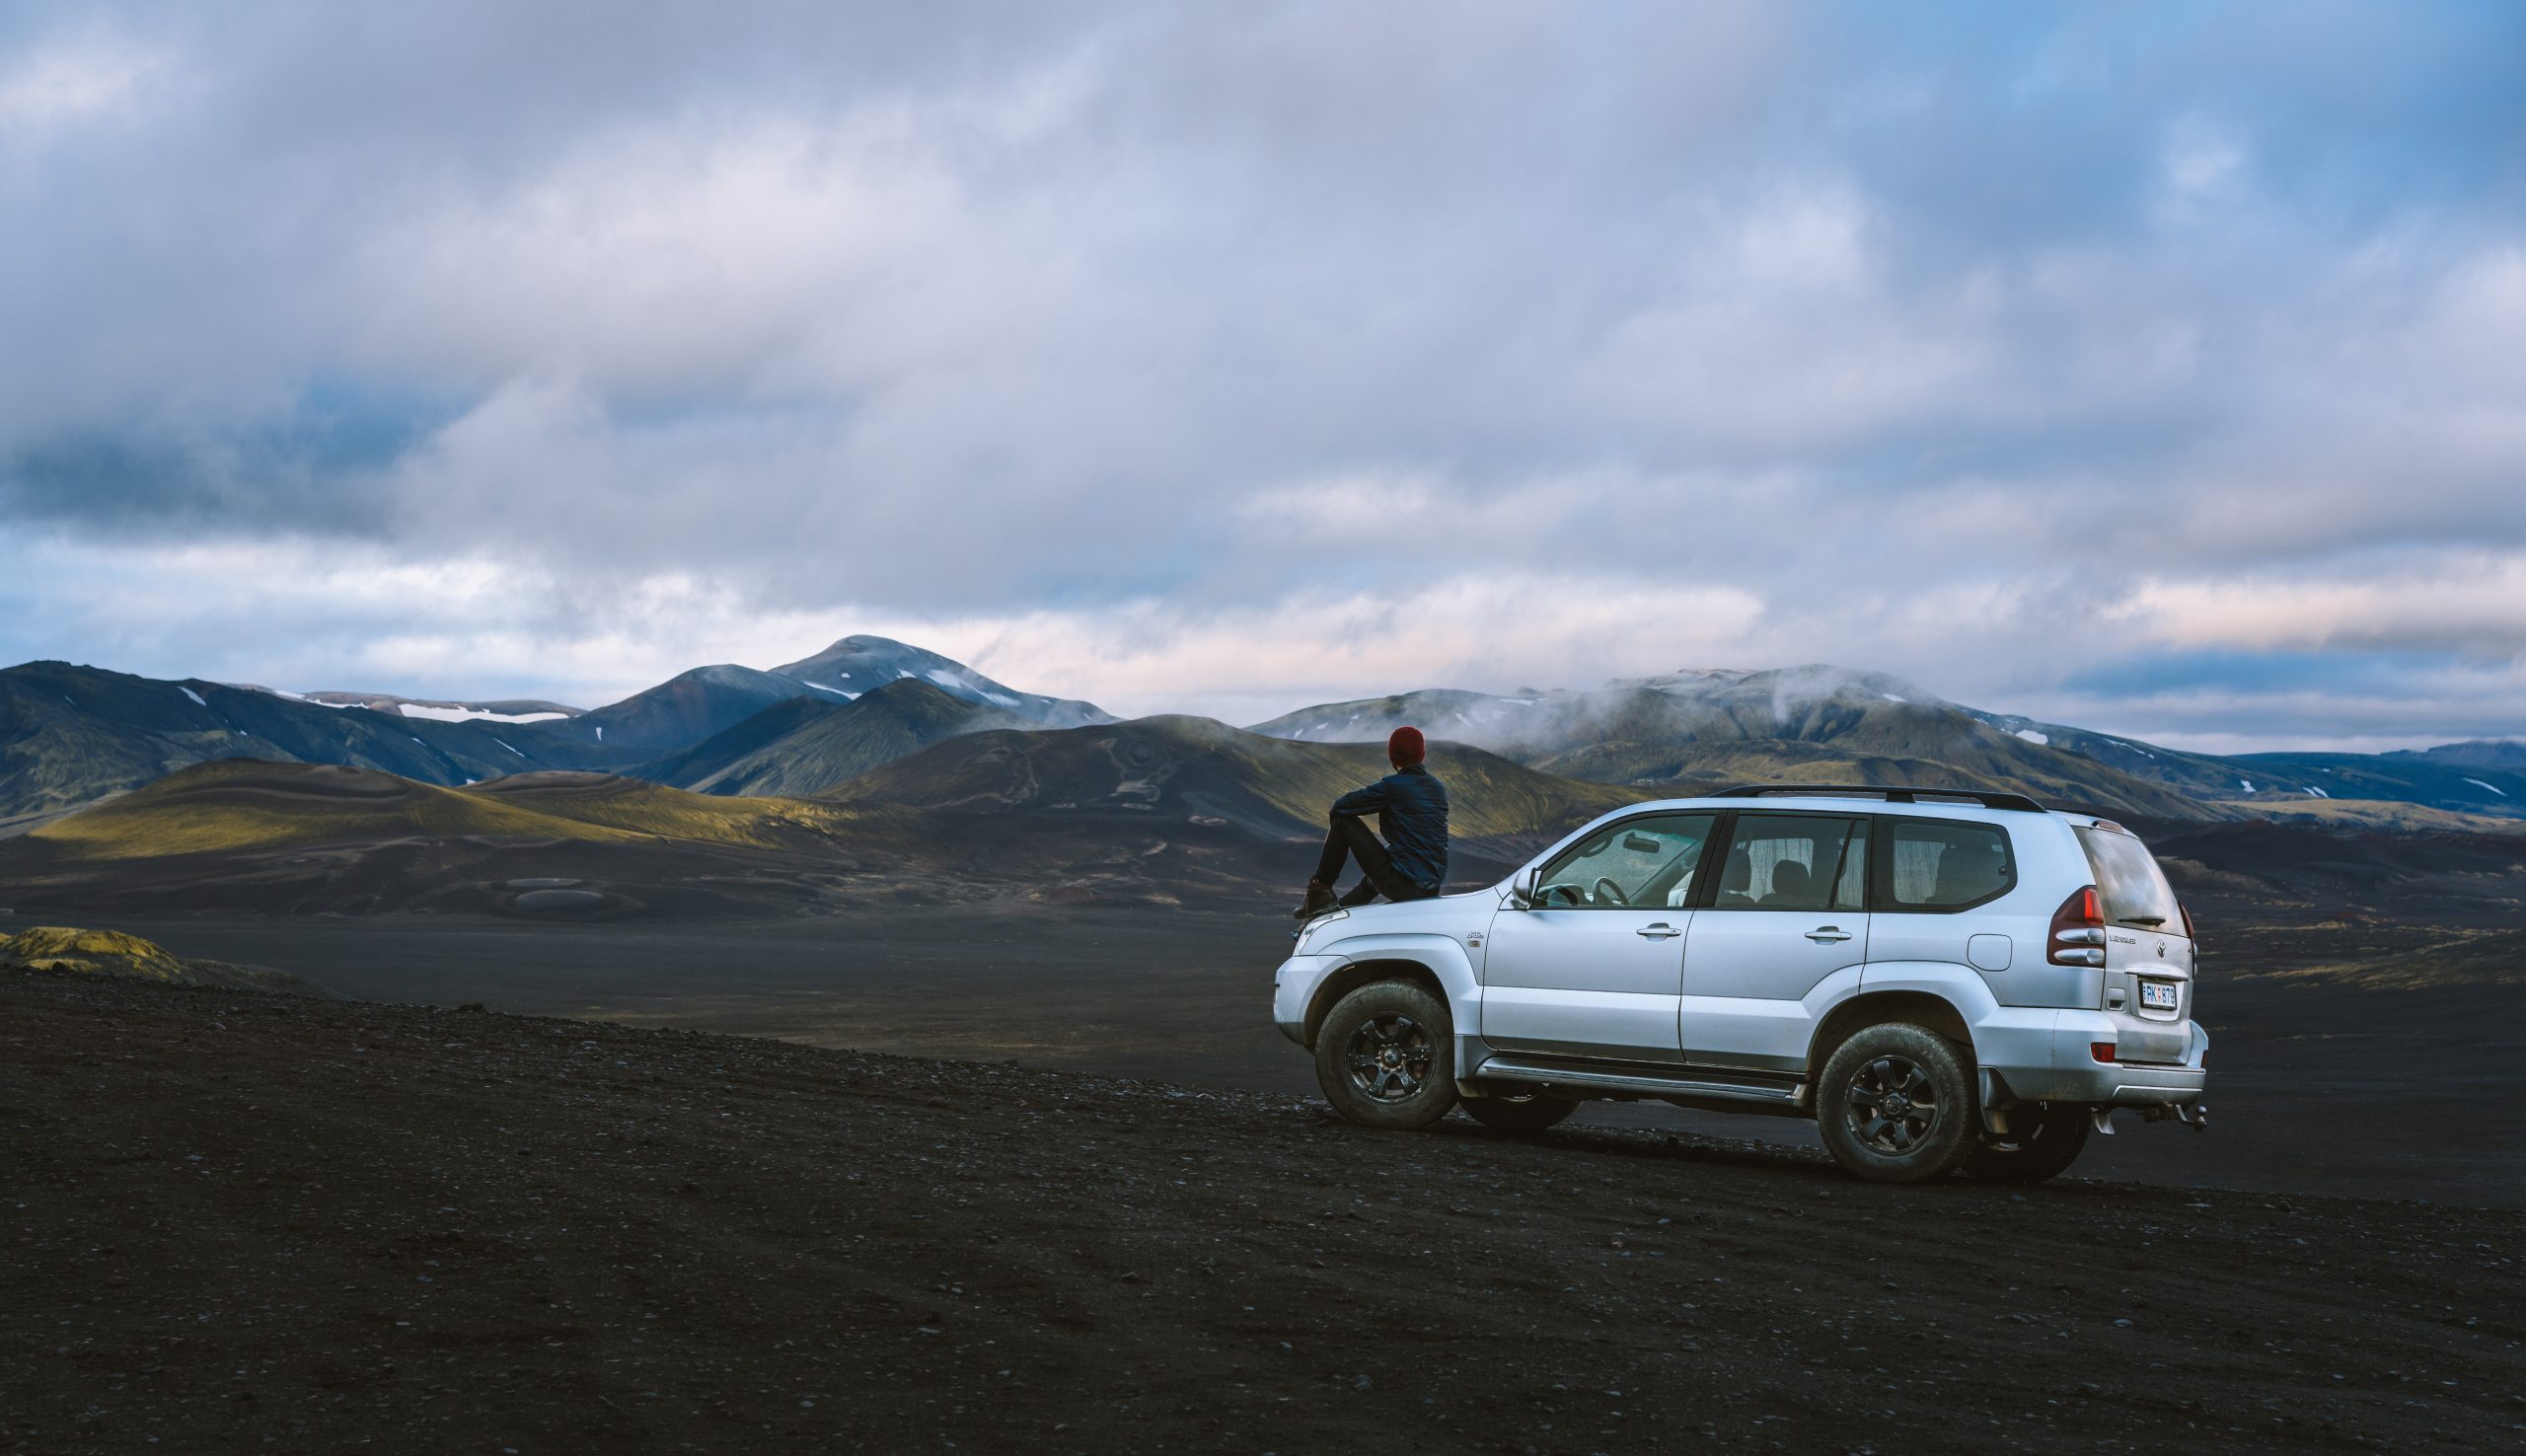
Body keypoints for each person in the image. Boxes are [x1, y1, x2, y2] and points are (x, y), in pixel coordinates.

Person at [1294, 725, 1449, 918]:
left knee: (1343, 821)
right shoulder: (1437, 788)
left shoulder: (1392, 787)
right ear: (1422, 754)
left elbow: (1340, 807)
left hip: (1405, 885)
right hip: (1431, 886)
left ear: (1392, 756)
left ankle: (1319, 891)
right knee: (1375, 878)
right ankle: (1332, 918)